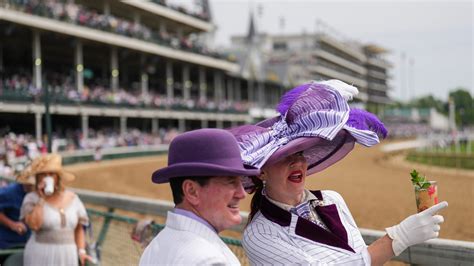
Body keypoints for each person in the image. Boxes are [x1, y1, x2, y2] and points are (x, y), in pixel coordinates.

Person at [230, 80, 448, 266]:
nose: (297, 162)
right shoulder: (259, 234)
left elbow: (360, 257)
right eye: (285, 156)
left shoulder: (333, 199)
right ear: (261, 172)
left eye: (300, 154)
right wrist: (397, 239)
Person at [139, 128, 260, 265]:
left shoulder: (155, 247)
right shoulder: (210, 260)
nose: (242, 193)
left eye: (241, 182)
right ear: (192, 191)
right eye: (231, 181)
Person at [20, 153, 93, 266]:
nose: (47, 177)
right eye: (43, 174)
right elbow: (34, 225)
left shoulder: (73, 198)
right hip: (40, 255)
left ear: (57, 177)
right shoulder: (31, 199)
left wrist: (81, 251)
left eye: (51, 174)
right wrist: (42, 199)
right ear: (38, 178)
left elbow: (79, 229)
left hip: (68, 255)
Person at [0, 171, 35, 262]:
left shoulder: (37, 194)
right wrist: (12, 224)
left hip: (26, 243)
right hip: (8, 244)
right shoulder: (9, 192)